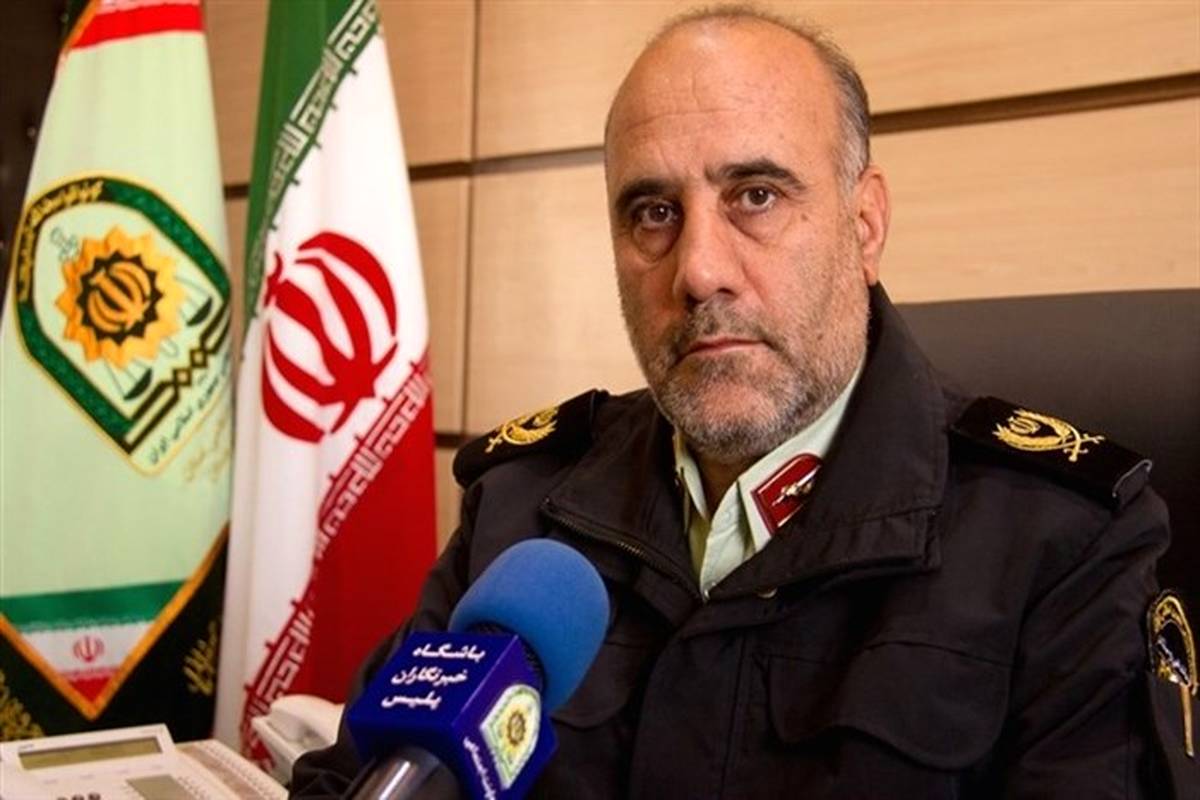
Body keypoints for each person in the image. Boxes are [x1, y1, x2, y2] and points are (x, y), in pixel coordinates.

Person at [291, 7, 1195, 798]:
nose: (698, 271)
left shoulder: (1064, 546)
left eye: (756, 196)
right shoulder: (520, 507)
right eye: (653, 212)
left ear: (865, 224)